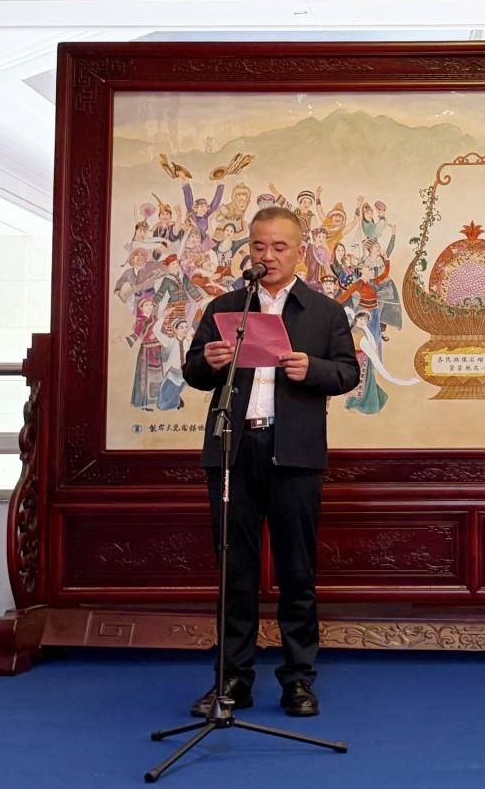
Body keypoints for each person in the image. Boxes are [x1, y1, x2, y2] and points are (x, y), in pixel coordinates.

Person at [182, 207, 359, 720]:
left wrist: (313, 368)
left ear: (299, 251)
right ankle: (231, 680)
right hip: (233, 451)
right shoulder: (226, 306)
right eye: (259, 246)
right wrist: (209, 362)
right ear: (249, 250)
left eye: (280, 247)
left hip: (295, 453)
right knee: (234, 571)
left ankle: (298, 680)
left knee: (296, 571)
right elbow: (193, 371)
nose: (268, 255)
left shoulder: (324, 312)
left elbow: (348, 373)